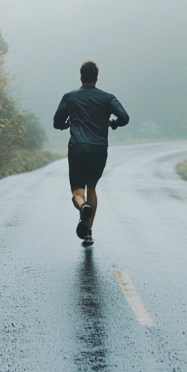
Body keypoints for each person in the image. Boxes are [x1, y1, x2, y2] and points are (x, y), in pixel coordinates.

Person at [53, 61, 129, 247]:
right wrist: (113, 123)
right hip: (99, 148)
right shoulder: (107, 97)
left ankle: (82, 206)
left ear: (81, 77)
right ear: (96, 78)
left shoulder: (70, 97)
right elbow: (124, 117)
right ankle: (88, 234)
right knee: (92, 187)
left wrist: (66, 124)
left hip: (78, 148)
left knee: (78, 192)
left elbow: (57, 122)